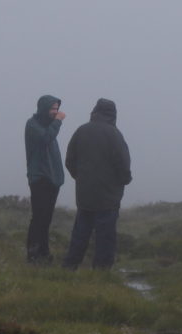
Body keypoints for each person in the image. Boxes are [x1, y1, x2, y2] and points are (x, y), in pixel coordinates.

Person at [62, 98, 132, 270]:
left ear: (94, 111)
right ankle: (101, 271)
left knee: (80, 233)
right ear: (113, 114)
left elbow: (70, 160)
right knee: (105, 236)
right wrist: (124, 180)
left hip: (85, 194)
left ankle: (70, 266)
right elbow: (122, 163)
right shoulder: (114, 134)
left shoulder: (81, 131)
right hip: (108, 196)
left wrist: (81, 178)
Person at [24, 95, 66, 264]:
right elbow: (45, 139)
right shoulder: (33, 124)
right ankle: (33, 255)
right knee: (39, 217)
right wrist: (58, 121)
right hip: (39, 177)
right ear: (43, 108)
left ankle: (44, 252)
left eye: (57, 109)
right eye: (52, 109)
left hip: (53, 179)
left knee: (46, 218)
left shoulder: (49, 126)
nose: (55, 112)